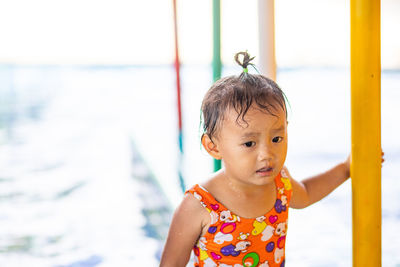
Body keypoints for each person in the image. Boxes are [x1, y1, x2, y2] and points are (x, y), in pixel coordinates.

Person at [160, 51, 379, 267]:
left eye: (276, 138)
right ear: (213, 146)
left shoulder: (280, 183)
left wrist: (345, 169)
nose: (267, 154)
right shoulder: (200, 204)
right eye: (249, 144)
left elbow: (307, 193)